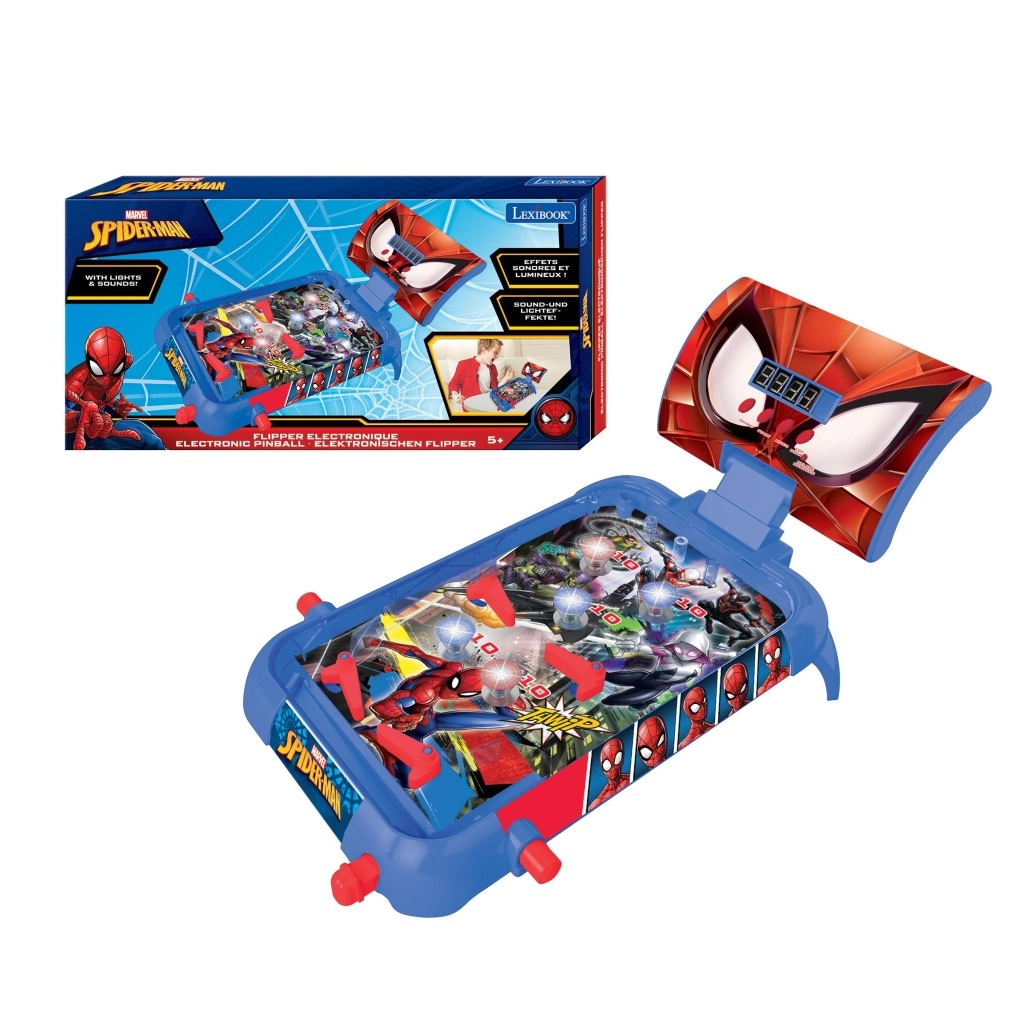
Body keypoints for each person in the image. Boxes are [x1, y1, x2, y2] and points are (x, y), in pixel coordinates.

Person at [448, 338, 514, 409]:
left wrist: (506, 378)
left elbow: (495, 388)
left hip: (490, 403)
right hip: (472, 407)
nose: (498, 356)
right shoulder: (464, 365)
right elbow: (453, 384)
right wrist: (455, 395)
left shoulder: (493, 367)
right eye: (495, 352)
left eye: (498, 353)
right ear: (483, 350)